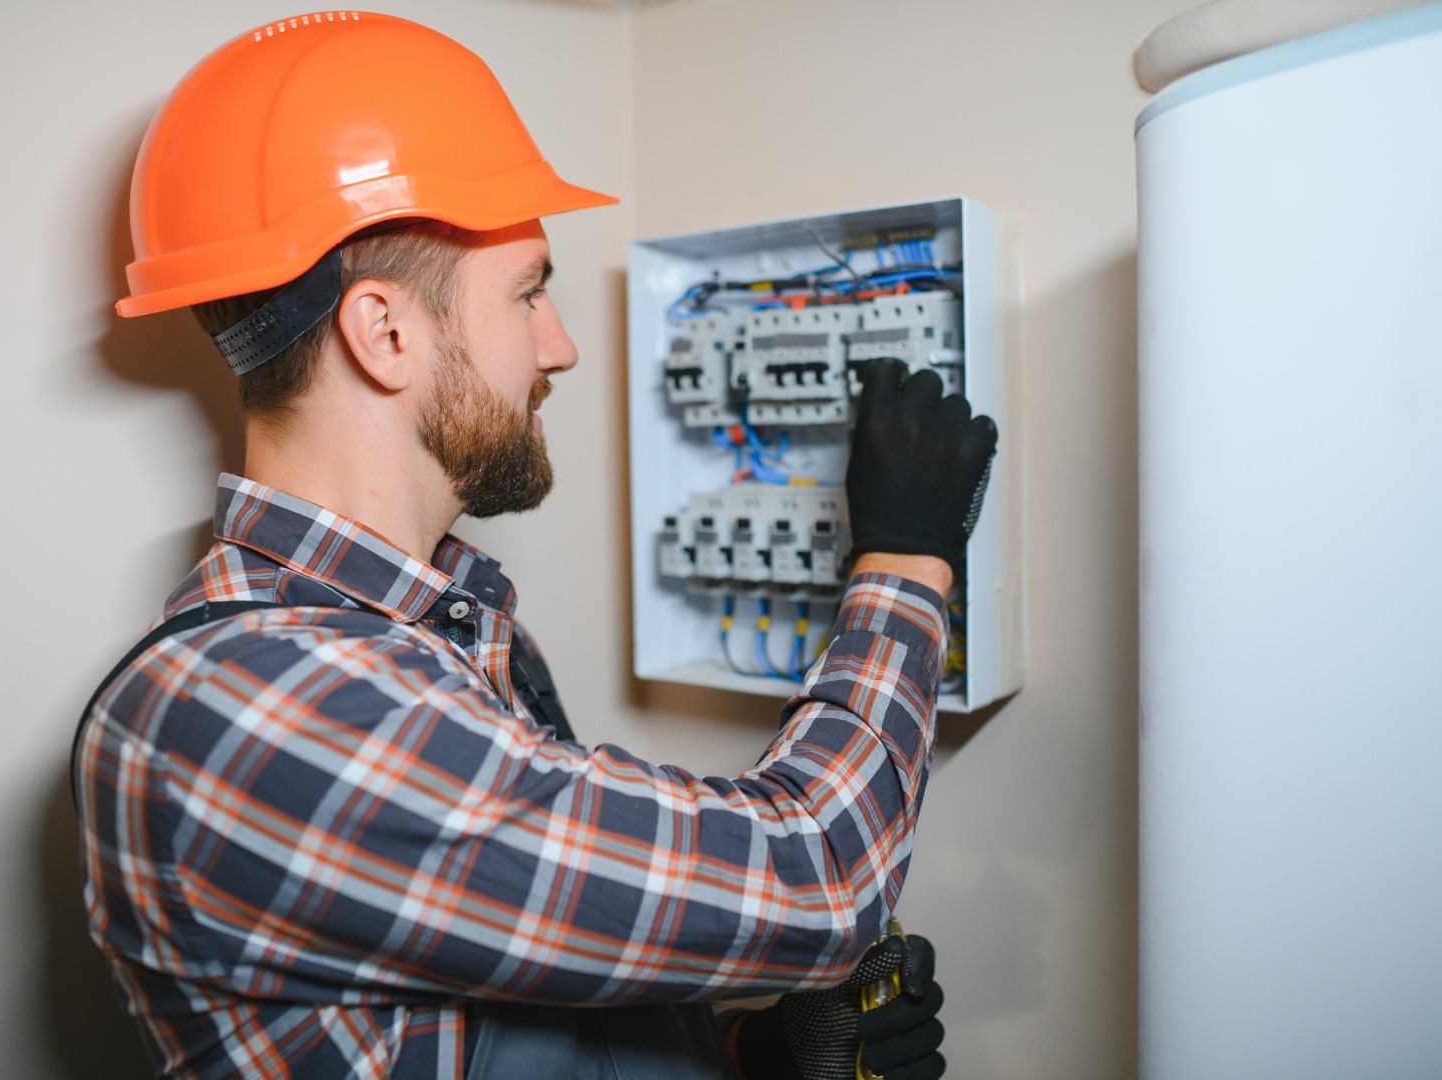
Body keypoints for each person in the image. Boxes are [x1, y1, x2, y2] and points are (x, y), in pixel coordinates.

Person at [73, 12, 997, 1079]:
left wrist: (755, 1055)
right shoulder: (249, 704)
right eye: (528, 292)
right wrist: (905, 559)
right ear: (385, 335)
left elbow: (504, 990)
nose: (558, 346)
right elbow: (821, 881)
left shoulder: (422, 637)